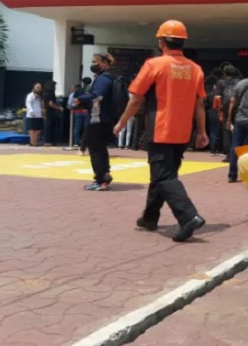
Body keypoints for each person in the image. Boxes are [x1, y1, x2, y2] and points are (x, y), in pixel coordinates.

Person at [114, 20, 209, 242]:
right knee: (164, 175)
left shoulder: (153, 65)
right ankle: (149, 217)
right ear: (182, 42)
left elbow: (136, 99)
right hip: (183, 132)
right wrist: (202, 132)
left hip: (160, 129)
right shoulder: (196, 69)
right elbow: (199, 104)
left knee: (163, 175)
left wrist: (121, 123)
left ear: (161, 41)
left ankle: (188, 216)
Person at [76, 53, 116, 191]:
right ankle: (104, 175)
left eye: (95, 61)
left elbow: (98, 96)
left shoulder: (103, 79)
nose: (93, 64)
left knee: (95, 149)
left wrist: (81, 99)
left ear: (104, 63)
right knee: (100, 148)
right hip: (104, 118)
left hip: (97, 119)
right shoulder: (108, 78)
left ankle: (100, 180)